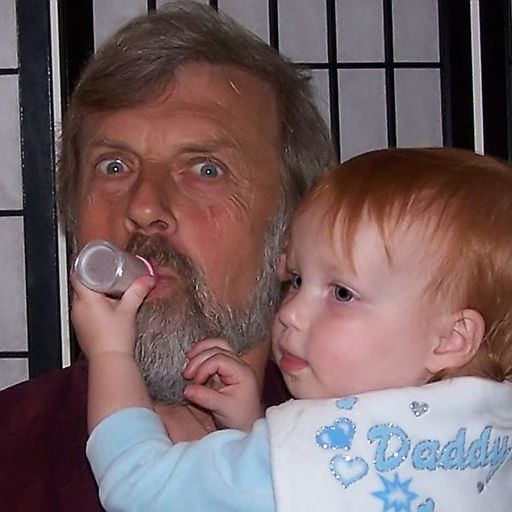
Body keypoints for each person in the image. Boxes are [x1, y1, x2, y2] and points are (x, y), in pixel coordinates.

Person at [0, 2, 335, 510]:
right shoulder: (11, 450)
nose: (144, 207)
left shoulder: (369, 452)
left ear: (294, 230)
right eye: (114, 167)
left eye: (206, 170)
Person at [75, 147, 512, 511]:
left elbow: (139, 487)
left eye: (342, 293)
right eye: (298, 280)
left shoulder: (322, 452)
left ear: (451, 339)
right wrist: (252, 433)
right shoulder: (489, 446)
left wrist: (112, 355)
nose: (290, 313)